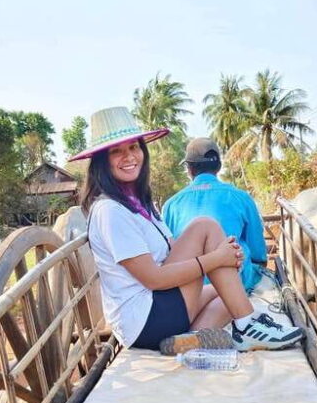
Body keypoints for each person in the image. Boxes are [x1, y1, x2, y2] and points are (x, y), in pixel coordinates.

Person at [68, 106, 302, 354]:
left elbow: (172, 249)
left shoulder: (140, 203)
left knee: (231, 293)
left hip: (159, 305)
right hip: (145, 318)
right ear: (102, 162)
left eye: (134, 147)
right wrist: (215, 259)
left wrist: (227, 259)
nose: (129, 157)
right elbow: (154, 279)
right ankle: (247, 325)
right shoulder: (110, 211)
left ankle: (189, 341)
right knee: (205, 225)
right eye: (116, 152)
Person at [163, 137, 267, 291]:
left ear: (189, 169)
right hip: (236, 282)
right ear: (218, 166)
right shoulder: (241, 197)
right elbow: (258, 253)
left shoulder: (170, 205)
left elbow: (168, 253)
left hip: (188, 286)